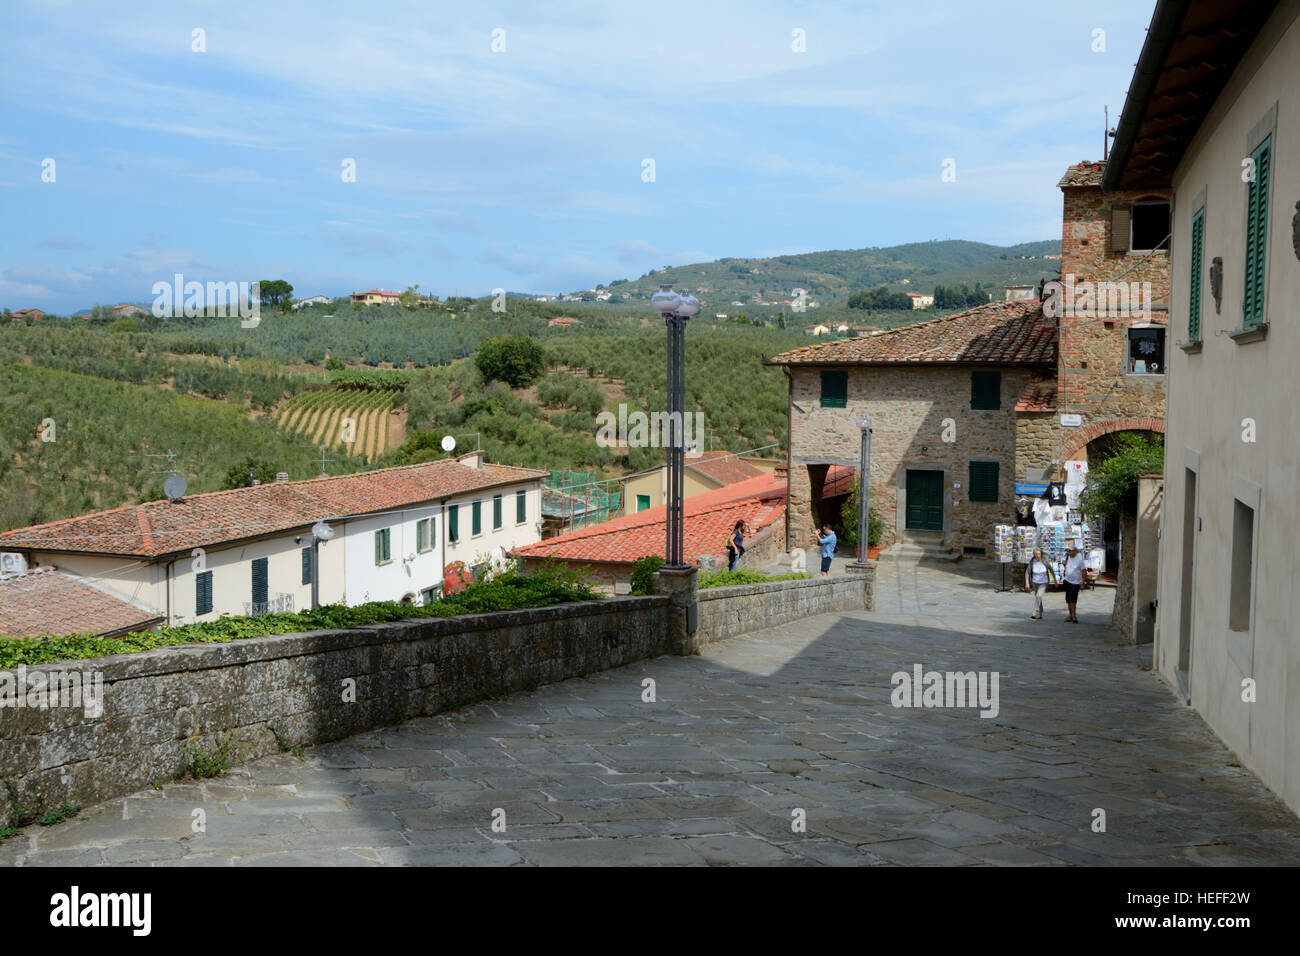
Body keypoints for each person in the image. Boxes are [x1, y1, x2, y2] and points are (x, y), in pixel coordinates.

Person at [1024, 548, 1053, 620]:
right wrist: (1027, 583)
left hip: (1044, 582)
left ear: (1041, 554)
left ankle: (1035, 611)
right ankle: (1040, 613)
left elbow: (1051, 569)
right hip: (1035, 582)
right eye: (1036, 554)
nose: (1037, 555)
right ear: (1034, 554)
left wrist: (1055, 580)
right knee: (1038, 597)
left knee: (1039, 595)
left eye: (1039, 554)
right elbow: (1027, 572)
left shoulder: (1044, 561)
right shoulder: (1032, 562)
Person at [1062, 541, 1086, 623]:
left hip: (1075, 582)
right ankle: (1070, 615)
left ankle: (1074, 616)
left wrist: (1083, 583)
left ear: (1075, 551)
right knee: (1068, 600)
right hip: (1068, 581)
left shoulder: (1079, 560)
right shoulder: (1067, 557)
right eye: (1069, 551)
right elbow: (1067, 567)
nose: (1069, 552)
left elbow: (1084, 572)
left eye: (1071, 550)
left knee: (1073, 600)